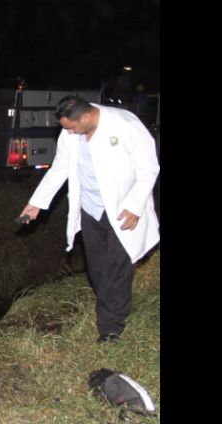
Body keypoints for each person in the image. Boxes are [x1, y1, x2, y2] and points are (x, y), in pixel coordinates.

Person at [18, 95, 159, 343]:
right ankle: (110, 306)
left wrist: (136, 206)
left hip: (123, 210)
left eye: (70, 127)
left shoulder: (124, 124)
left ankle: (110, 329)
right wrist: (36, 204)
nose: (68, 133)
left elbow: (149, 168)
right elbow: (60, 168)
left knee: (117, 269)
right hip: (91, 209)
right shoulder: (71, 134)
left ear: (85, 117)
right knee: (97, 270)